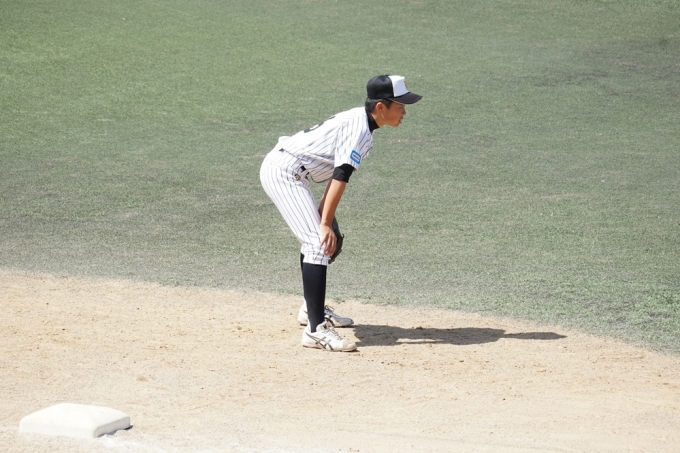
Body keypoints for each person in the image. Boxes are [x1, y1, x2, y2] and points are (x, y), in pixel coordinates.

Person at [259, 75, 422, 352]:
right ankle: (315, 331)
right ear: (381, 107)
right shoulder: (358, 129)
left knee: (326, 238)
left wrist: (325, 219)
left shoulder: (364, 125)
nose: (404, 111)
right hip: (283, 172)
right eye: (400, 106)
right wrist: (323, 223)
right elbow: (340, 176)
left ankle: (311, 309)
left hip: (296, 172)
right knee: (318, 243)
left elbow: (337, 174)